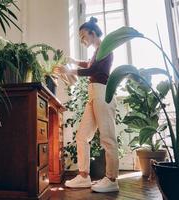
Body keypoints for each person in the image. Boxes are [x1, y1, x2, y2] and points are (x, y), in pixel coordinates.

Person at [54, 17, 119, 193]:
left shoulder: (106, 47)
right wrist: (75, 62)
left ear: (92, 32)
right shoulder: (97, 51)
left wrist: (71, 70)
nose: (82, 40)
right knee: (82, 136)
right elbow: (90, 65)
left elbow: (95, 70)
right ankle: (83, 176)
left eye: (83, 36)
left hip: (102, 93)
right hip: (94, 94)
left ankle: (112, 179)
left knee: (107, 138)